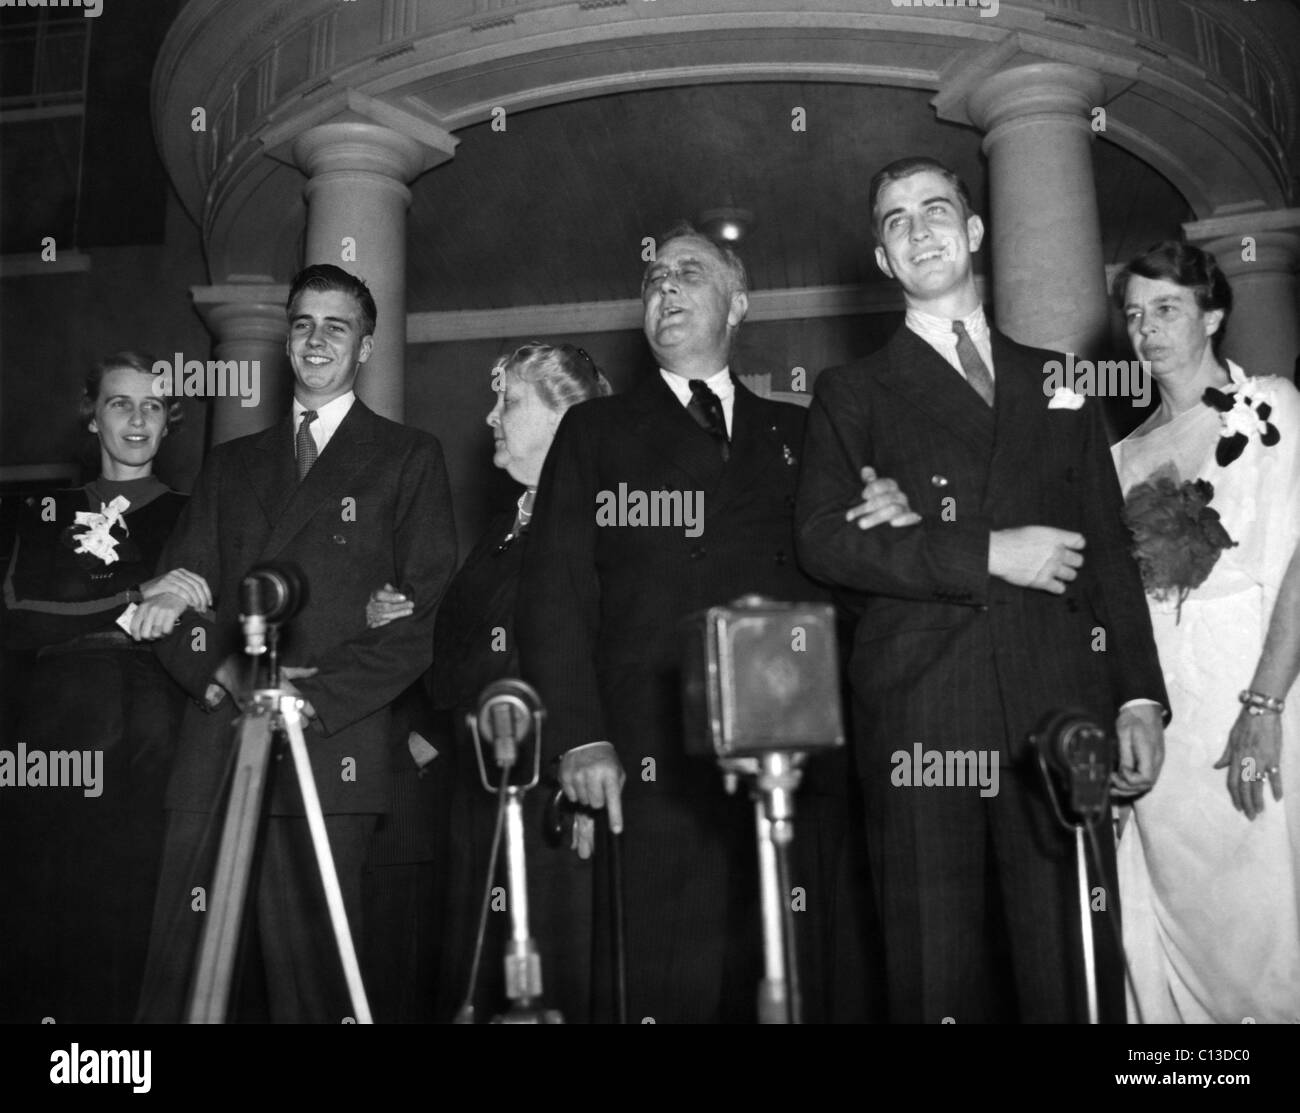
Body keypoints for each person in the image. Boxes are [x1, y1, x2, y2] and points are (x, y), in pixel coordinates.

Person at [795, 156, 1168, 1023]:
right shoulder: (850, 393)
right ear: (884, 261)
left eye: (935, 210)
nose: (918, 228)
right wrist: (988, 550)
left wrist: (1139, 695)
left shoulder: (1061, 381)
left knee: (1073, 974)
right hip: (923, 716)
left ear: (973, 232)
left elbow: (1108, 548)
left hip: (1060, 711)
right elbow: (822, 539)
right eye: (895, 221)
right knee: (933, 981)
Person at [516, 224, 843, 1023]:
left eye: (688, 273)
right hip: (645, 745)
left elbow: (840, 581)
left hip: (780, 744)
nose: (664, 287)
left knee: (776, 964)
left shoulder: (799, 433)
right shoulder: (595, 433)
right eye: (655, 277)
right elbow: (553, 590)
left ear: (739, 303)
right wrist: (580, 737)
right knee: (660, 977)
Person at [133, 264, 457, 1022]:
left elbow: (422, 621)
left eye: (336, 326)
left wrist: (307, 698)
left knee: (312, 988)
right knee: (180, 983)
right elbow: (172, 599)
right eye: (303, 324)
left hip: (327, 753)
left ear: (366, 345)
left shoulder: (409, 458)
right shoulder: (228, 464)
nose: (316, 340)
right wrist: (226, 676)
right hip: (216, 746)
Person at [365, 342, 612, 1023]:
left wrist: (584, 782)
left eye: (508, 401)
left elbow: (608, 657)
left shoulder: (603, 518)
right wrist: (412, 621)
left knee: (555, 976)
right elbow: (471, 654)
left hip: (553, 792)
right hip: (480, 787)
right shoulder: (507, 527)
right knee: (480, 978)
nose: (489, 417)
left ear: (566, 414)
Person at [1110, 241, 1300, 1022]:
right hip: (1169, 709)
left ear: (1212, 315)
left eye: (1166, 309)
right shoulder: (1119, 453)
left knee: (1266, 911)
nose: (1146, 330)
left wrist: (1264, 705)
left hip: (1258, 683)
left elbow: (1295, 563)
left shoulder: (1273, 408)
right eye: (1132, 315)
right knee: (1184, 911)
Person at [0, 352, 204, 1023]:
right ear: (92, 416)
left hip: (153, 738)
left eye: (153, 405)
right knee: (46, 916)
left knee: (135, 920)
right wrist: (134, 594)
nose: (138, 418)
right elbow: (19, 617)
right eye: (120, 402)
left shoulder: (194, 514)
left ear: (170, 422)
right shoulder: (40, 510)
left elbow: (208, 622)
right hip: (55, 737)